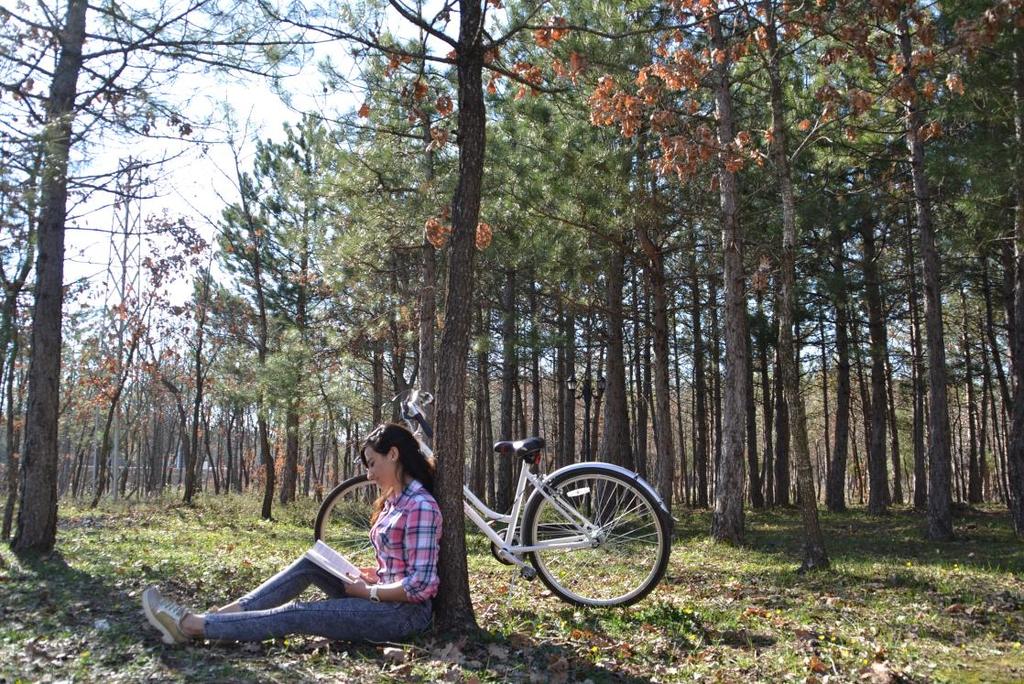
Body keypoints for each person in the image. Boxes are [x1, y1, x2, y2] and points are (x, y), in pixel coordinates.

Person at [141, 423, 442, 645]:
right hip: (381, 597)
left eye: (372, 463)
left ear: (393, 454)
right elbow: (401, 567)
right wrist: (374, 577)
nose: (369, 474)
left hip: (402, 615)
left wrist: (370, 592)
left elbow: (421, 586)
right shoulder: (393, 501)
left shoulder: (420, 507)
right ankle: (222, 618)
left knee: (299, 613)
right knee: (311, 564)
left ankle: (191, 626)